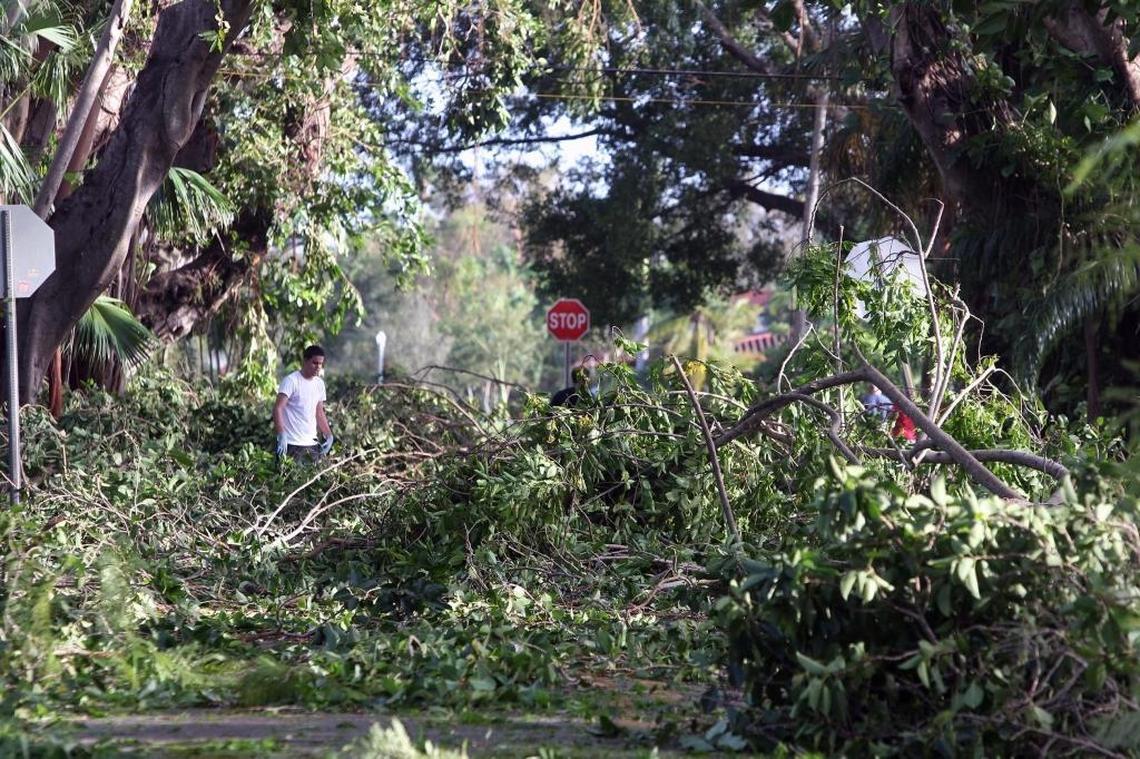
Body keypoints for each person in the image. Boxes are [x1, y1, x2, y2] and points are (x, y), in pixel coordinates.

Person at [273, 345, 334, 463]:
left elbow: (319, 412)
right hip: (291, 443)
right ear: (305, 361)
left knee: (311, 481)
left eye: (320, 364)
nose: (318, 367)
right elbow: (278, 408)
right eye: (315, 363)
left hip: (311, 444)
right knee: (287, 480)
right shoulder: (291, 381)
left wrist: (329, 435)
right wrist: (281, 434)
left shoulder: (319, 384)